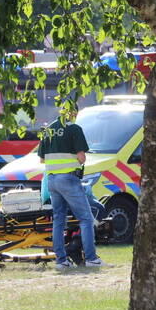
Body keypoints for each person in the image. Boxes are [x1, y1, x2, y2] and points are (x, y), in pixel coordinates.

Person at [38, 103, 103, 271]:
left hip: (51, 180)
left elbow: (42, 160)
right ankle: (91, 258)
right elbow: (81, 158)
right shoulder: (74, 128)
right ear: (73, 112)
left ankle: (61, 261)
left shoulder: (48, 130)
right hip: (69, 179)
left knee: (58, 221)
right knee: (86, 219)